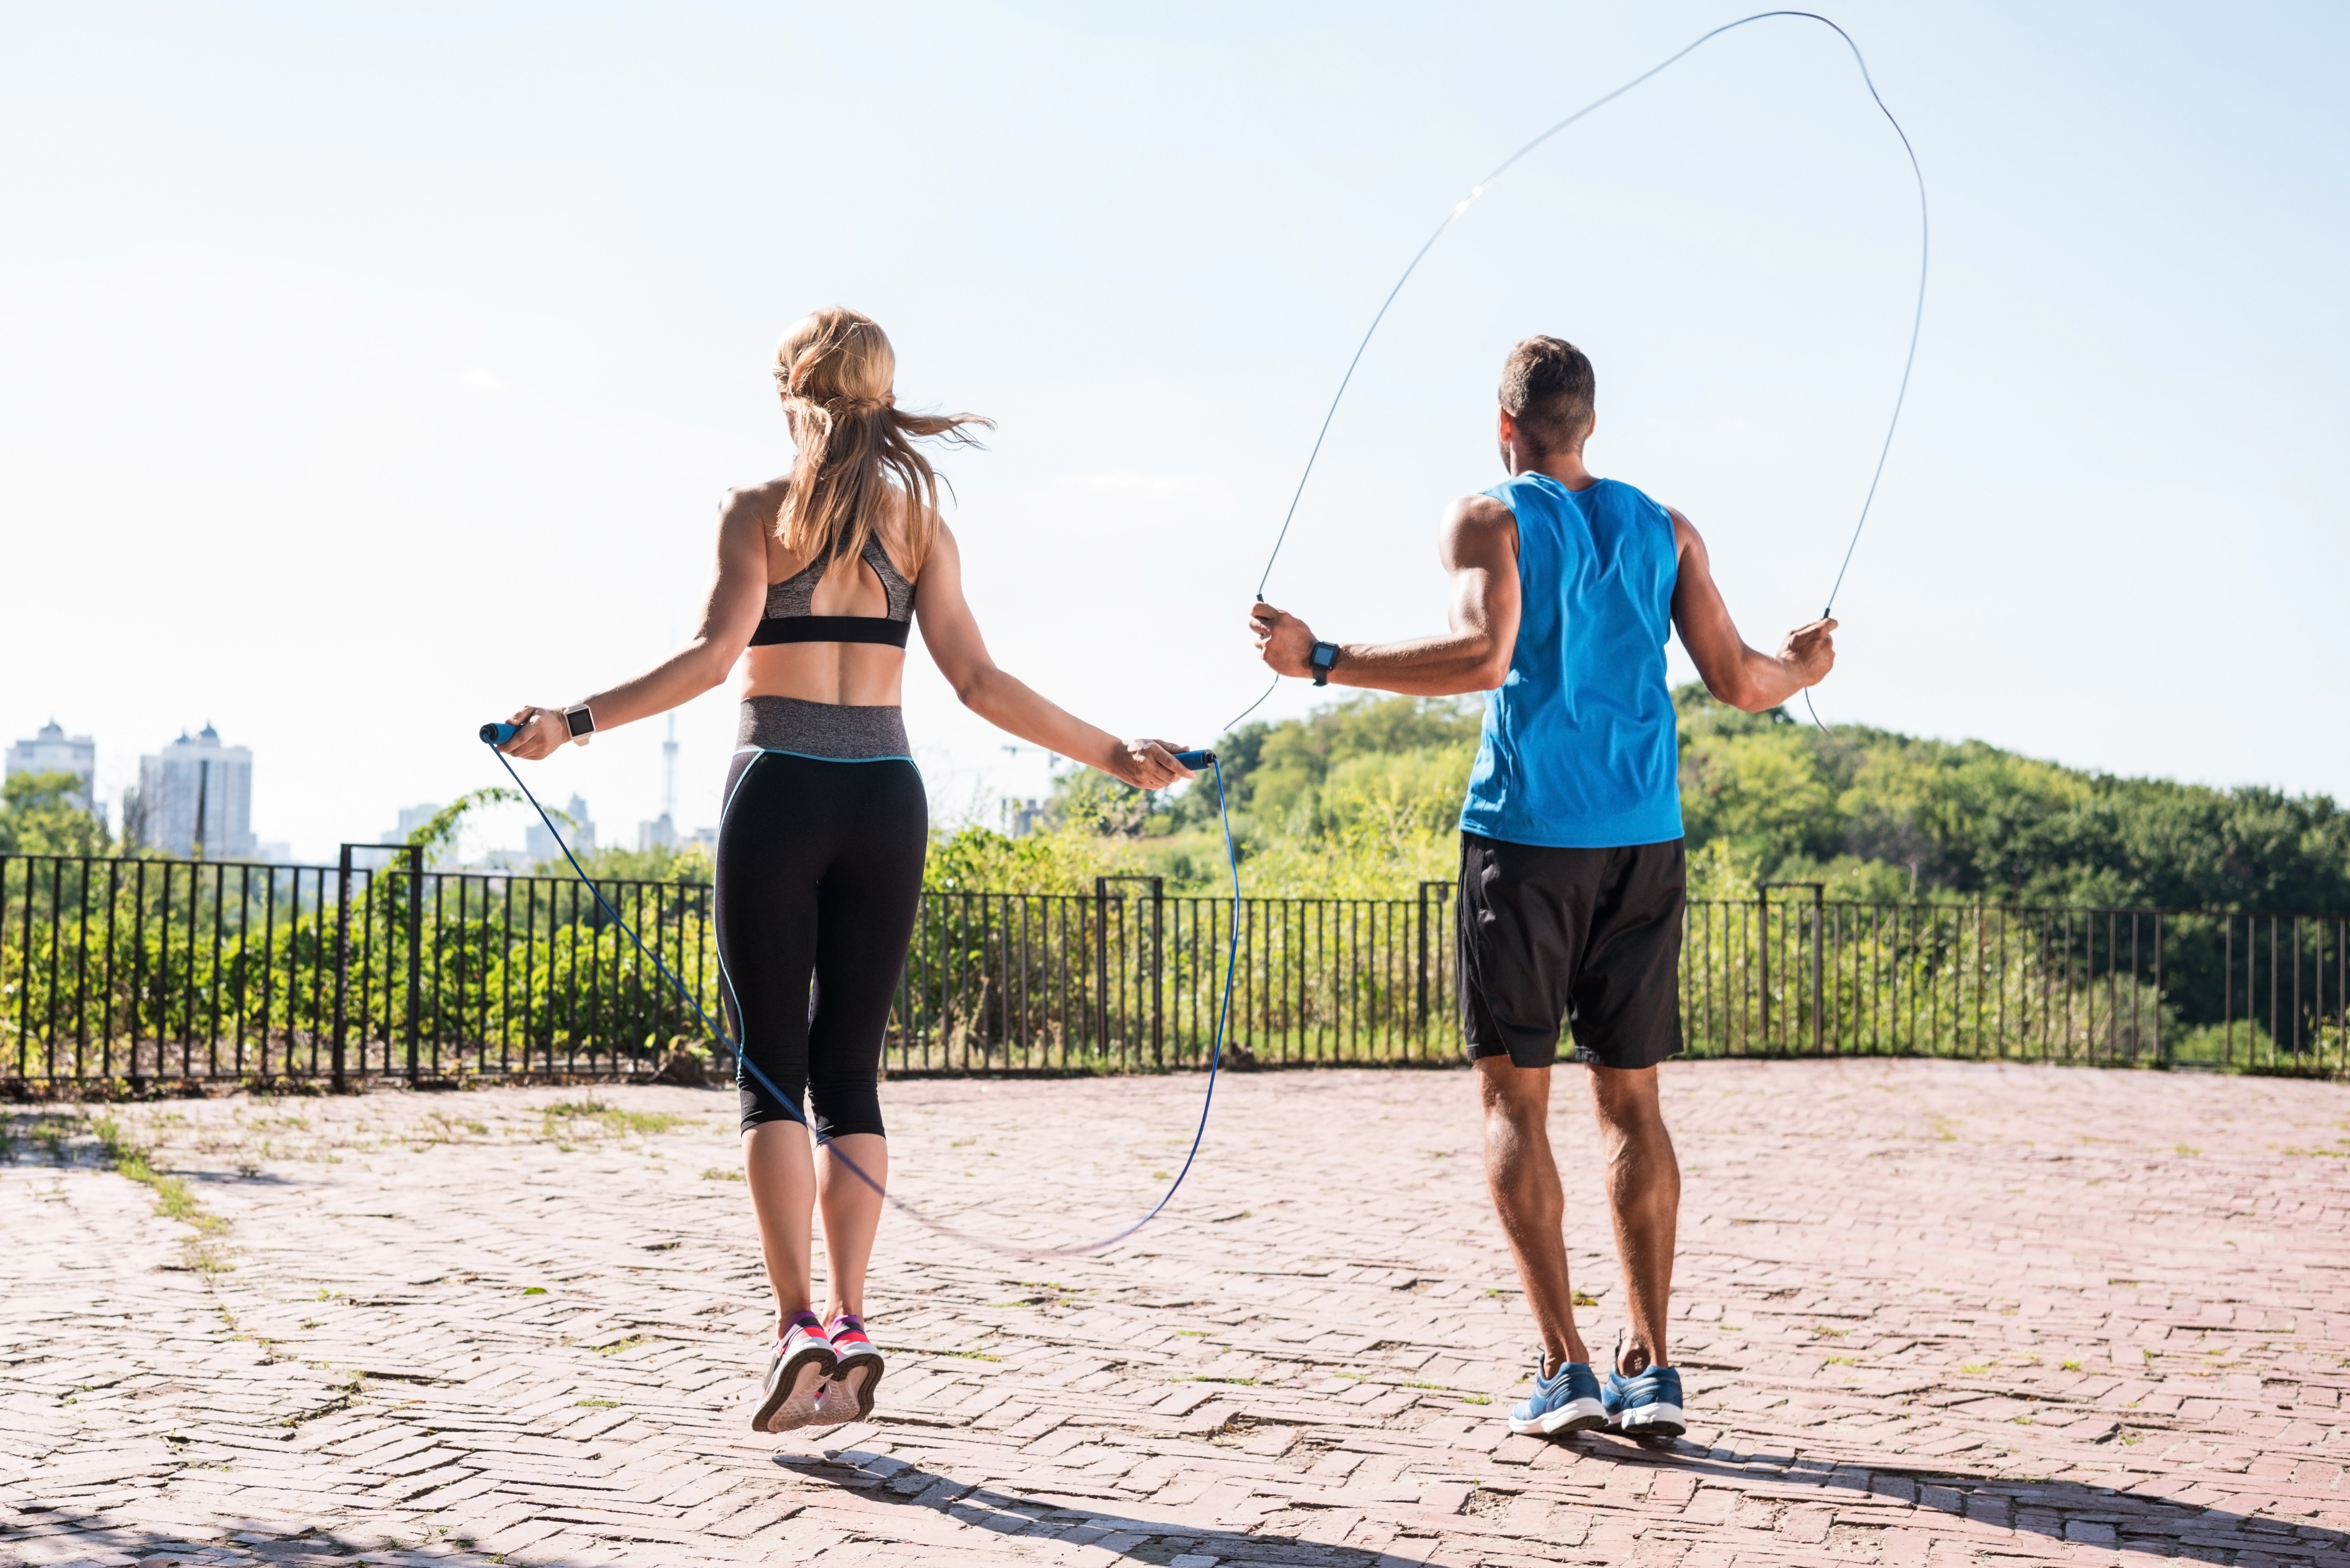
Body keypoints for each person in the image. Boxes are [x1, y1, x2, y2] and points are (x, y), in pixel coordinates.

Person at [497, 307, 1192, 1435]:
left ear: (791, 396)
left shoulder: (757, 513)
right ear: (880, 397)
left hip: (778, 784)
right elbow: (978, 680)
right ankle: (857, 1323)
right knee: (850, 1075)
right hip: (888, 800)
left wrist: (569, 723)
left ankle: (797, 1329)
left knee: (772, 1073)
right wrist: (1113, 753)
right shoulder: (919, 526)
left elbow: (712, 659)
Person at [1248, 335, 1834, 1440]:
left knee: (1517, 1099)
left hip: (1526, 842)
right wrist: (1806, 667)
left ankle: (1567, 1367)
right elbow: (1743, 681)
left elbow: (1482, 656)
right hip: (1644, 845)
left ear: (1505, 425)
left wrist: (1319, 656)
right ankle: (1653, 1367)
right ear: (1592, 426)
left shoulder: (1490, 513)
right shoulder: (1667, 528)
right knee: (1634, 1102)